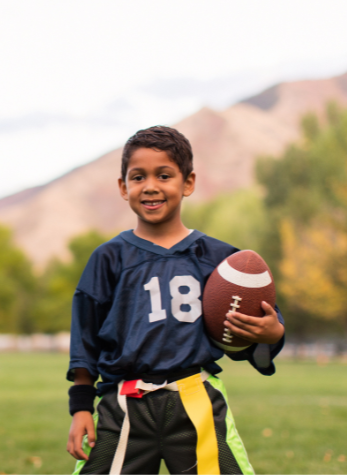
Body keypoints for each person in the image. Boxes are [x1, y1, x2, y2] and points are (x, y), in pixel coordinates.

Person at [66, 125, 285, 475]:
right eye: (138, 177)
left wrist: (271, 333)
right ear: (124, 187)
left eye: (164, 175)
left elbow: (245, 336)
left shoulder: (221, 260)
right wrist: (80, 409)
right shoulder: (108, 258)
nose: (150, 186)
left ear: (188, 183)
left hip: (195, 395)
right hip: (124, 403)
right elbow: (85, 341)